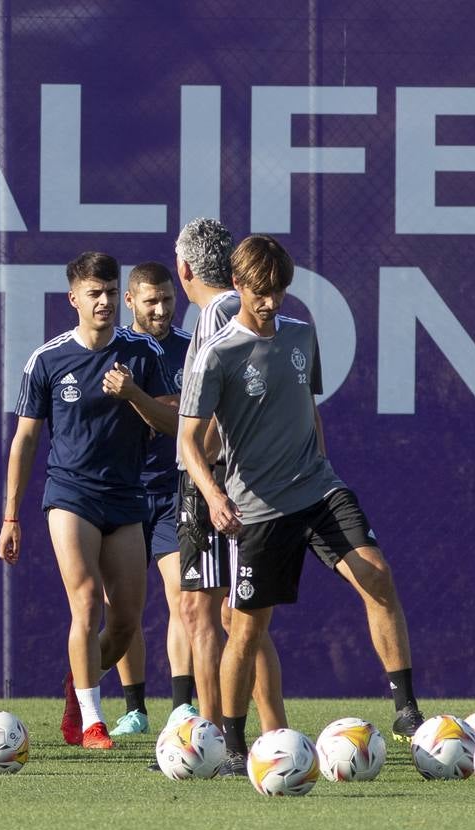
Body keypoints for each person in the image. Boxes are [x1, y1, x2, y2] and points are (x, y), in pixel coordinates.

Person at [179, 234, 425, 776]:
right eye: (261, 292)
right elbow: (188, 442)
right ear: (239, 285)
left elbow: (306, 406)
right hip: (259, 509)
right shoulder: (216, 355)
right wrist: (215, 496)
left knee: (377, 576)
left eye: (280, 291)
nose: (272, 302)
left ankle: (406, 710)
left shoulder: (301, 335)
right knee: (246, 628)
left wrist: (322, 462)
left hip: (318, 489)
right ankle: (234, 741)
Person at [0, 252, 177, 750]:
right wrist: (12, 516)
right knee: (85, 604)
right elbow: (26, 442)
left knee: (123, 623)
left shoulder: (143, 352)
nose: (102, 302)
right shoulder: (48, 359)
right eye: (92, 294)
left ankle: (77, 686)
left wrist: (135, 395)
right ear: (73, 298)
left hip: (126, 497)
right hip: (70, 495)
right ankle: (94, 720)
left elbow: (172, 423)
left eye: (108, 292)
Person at [173, 218, 286, 773]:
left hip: (215, 480)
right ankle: (264, 733)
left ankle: (223, 739)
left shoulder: (219, 312)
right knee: (227, 611)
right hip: (213, 479)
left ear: (184, 268)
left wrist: (209, 478)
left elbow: (214, 411)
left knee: (222, 612)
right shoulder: (216, 312)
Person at [110, 262, 197, 737]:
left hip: (173, 489)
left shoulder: (192, 347)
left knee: (182, 595)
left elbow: (187, 413)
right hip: (122, 492)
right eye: (151, 301)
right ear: (131, 302)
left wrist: (145, 402)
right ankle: (135, 708)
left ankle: (182, 705)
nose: (161, 309)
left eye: (167, 299)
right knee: (122, 606)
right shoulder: (115, 347)